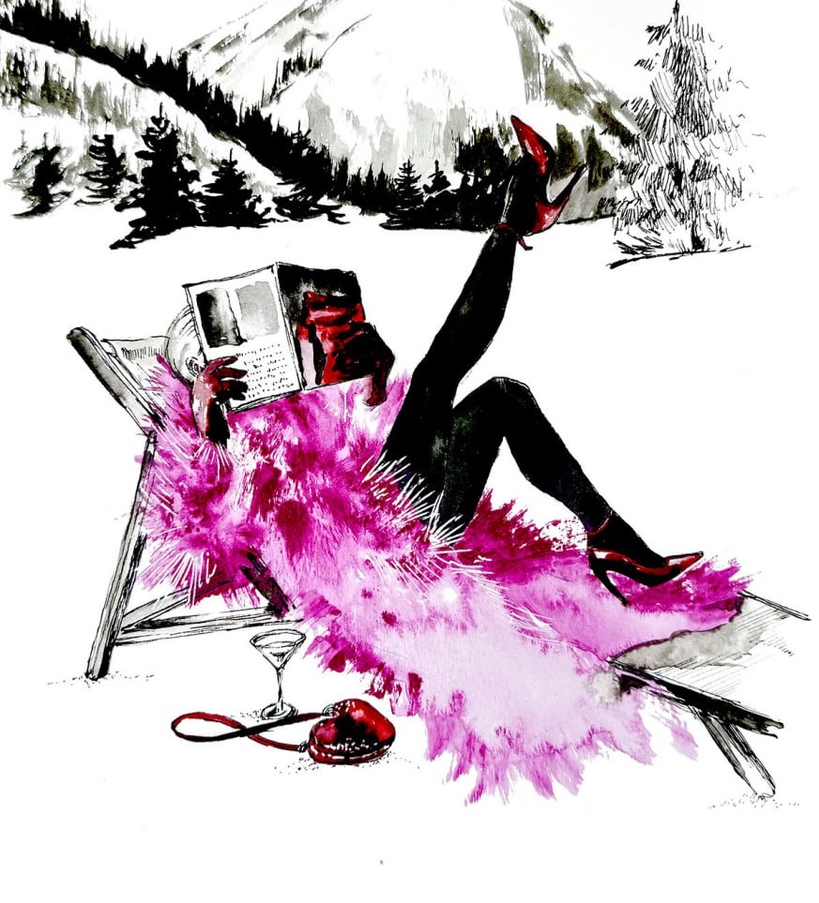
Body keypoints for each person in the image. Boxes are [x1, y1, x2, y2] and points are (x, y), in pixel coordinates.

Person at [170, 116, 701, 603]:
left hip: (390, 506)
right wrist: (209, 428)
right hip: (362, 564)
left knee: (482, 390)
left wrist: (373, 380)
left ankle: (609, 536)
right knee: (454, 382)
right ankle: (516, 219)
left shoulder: (286, 395)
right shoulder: (204, 449)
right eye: (202, 360)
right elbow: (224, 535)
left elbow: (358, 452)